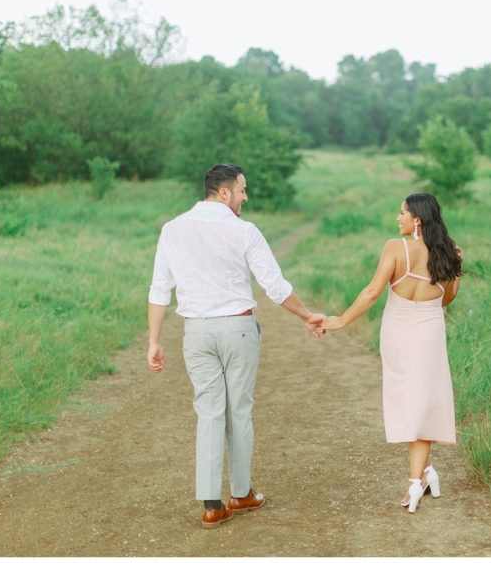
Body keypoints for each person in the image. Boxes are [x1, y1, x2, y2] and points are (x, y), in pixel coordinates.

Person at [147, 163, 325, 529]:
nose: (246, 197)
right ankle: (241, 494)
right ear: (224, 192)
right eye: (242, 190)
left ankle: (212, 504)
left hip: (195, 332)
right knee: (238, 411)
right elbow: (274, 286)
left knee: (209, 412)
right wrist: (306, 315)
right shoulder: (244, 231)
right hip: (238, 329)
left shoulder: (172, 229)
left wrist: (154, 341)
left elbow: (159, 290)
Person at [320, 192, 462, 514]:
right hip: (429, 333)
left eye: (402, 212)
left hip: (397, 332)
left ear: (417, 220)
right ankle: (425, 473)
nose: (397, 218)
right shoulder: (448, 253)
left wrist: (341, 320)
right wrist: (458, 266)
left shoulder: (395, 248)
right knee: (425, 399)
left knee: (410, 401)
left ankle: (415, 482)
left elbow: (372, 292)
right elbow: (446, 299)